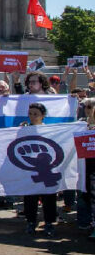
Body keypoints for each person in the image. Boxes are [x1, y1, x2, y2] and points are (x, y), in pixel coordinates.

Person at [21, 103, 57, 237]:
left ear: (43, 115)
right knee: (30, 197)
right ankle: (30, 222)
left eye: (35, 114)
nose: (32, 116)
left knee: (49, 197)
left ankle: (49, 223)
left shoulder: (49, 130)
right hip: (30, 171)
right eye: (30, 114)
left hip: (47, 171)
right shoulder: (24, 129)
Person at [76, 98, 95, 234]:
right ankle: (83, 221)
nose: (87, 109)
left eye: (90, 106)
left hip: (93, 167)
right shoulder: (79, 124)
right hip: (82, 167)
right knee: (83, 195)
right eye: (85, 106)